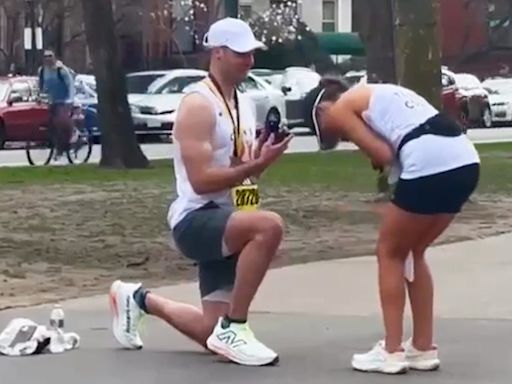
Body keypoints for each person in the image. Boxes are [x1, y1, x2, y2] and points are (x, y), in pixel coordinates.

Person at [109, 18, 293, 367]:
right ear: (218, 53)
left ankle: (138, 299)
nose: (250, 61)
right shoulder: (197, 105)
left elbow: (240, 172)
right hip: (195, 220)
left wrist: (262, 159)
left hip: (227, 218)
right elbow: (202, 181)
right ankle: (236, 328)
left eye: (252, 54)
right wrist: (253, 173)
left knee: (211, 335)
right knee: (269, 226)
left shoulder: (244, 103)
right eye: (242, 54)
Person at [307, 77, 480, 374]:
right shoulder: (384, 92)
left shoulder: (339, 107)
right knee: (414, 250)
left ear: (322, 109)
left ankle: (391, 350)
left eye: (331, 131)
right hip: (464, 160)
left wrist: (369, 151)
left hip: (428, 160)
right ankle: (423, 347)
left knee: (389, 252)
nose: (344, 136)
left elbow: (383, 155)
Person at [38, 49, 76, 157]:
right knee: (51, 124)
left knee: (61, 120)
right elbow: (40, 86)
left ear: (54, 57)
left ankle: (73, 133)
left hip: (63, 100)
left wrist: (70, 99)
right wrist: (40, 97)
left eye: (50, 56)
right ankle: (58, 145)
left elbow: (70, 85)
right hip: (52, 100)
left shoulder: (61, 70)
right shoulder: (42, 71)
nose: (48, 59)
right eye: (45, 56)